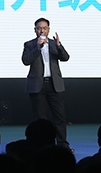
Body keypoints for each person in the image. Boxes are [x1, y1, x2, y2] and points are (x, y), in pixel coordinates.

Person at [21, 17, 71, 148]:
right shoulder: (29, 44)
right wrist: (37, 48)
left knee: (59, 116)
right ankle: (43, 145)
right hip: (37, 85)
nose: (42, 31)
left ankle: (62, 144)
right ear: (35, 30)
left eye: (44, 28)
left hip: (54, 84)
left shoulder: (54, 44)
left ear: (49, 29)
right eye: (39, 28)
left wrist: (59, 46)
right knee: (40, 118)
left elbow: (65, 58)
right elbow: (25, 61)